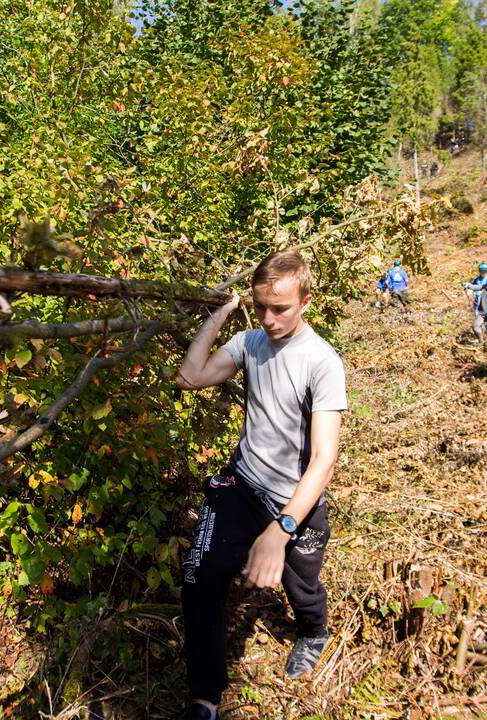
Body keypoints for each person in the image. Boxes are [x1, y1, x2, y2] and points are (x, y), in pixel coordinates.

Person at [175, 251, 347, 720]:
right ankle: (205, 699)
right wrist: (220, 315)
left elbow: (325, 460)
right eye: (261, 307)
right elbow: (190, 376)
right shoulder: (250, 341)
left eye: (282, 308)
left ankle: (313, 631)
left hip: (295, 499)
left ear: (306, 301)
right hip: (242, 482)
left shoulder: (322, 362)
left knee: (302, 587)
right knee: (199, 578)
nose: (270, 319)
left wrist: (280, 530)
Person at [463, 262, 487, 344]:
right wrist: (469, 290)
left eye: (485, 270)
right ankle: (481, 339)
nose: (483, 272)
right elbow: (473, 288)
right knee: (478, 321)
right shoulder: (477, 280)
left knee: (485, 322)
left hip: (486, 303)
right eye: (482, 270)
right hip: (477, 303)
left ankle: (486, 339)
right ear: (479, 270)